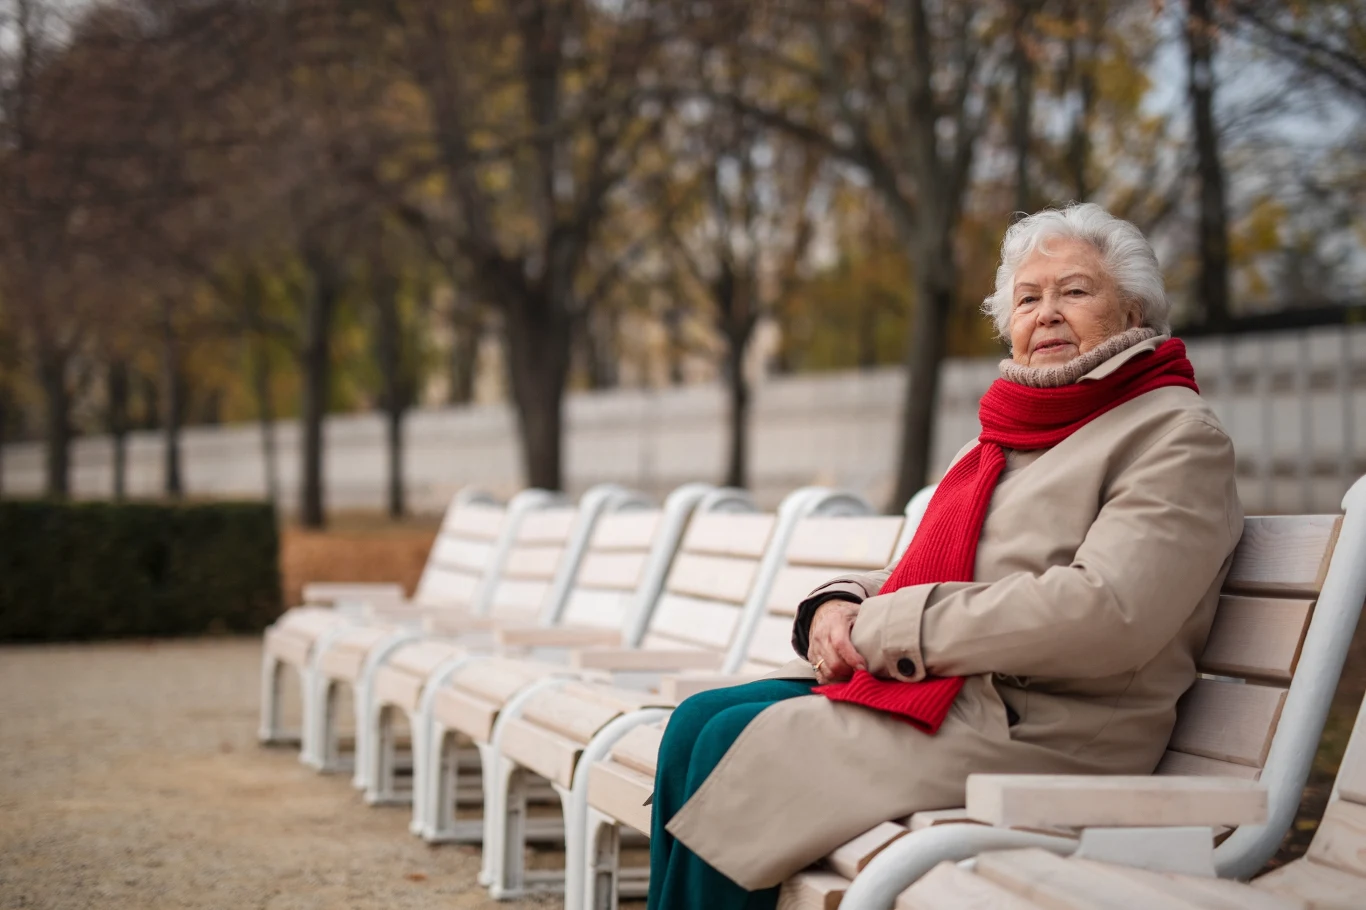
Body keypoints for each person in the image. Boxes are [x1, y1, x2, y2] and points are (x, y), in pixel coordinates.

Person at [646, 203, 1245, 910]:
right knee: (695, 725)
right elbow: (924, 578)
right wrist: (843, 604)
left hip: (1051, 730)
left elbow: (1107, 612)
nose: (1047, 313)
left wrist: (894, 626)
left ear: (1135, 312)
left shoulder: (1173, 435)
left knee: (736, 745)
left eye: (1076, 291)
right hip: (961, 696)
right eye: (1028, 298)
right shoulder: (1008, 435)